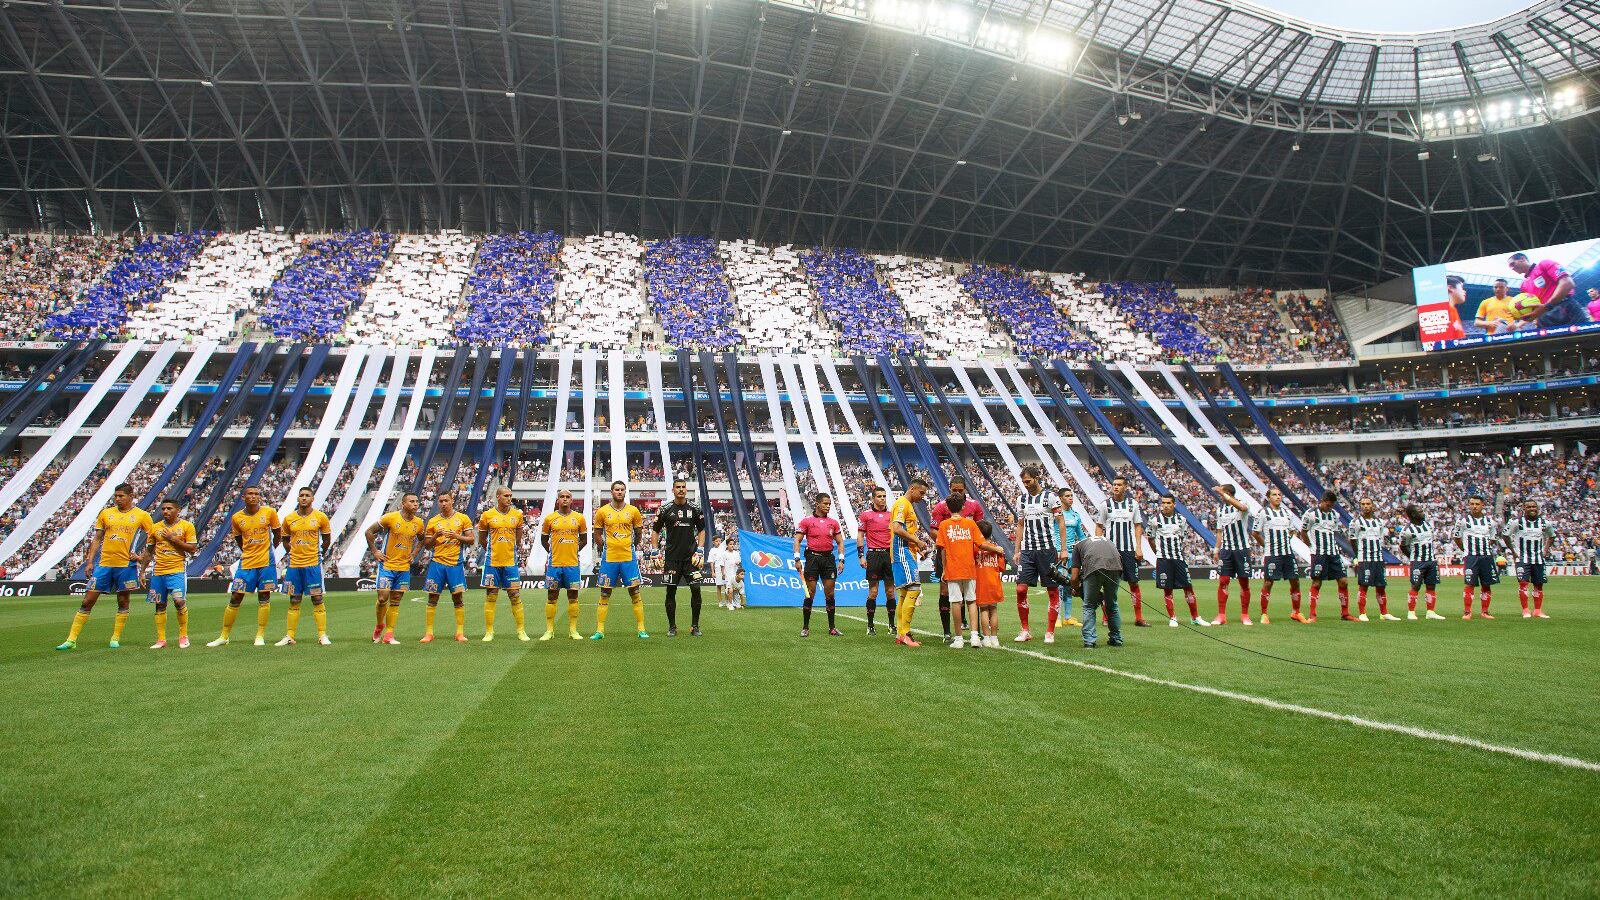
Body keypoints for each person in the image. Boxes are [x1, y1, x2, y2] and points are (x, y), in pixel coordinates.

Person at [56, 483, 155, 650]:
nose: (117, 499)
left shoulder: (142, 515)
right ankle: (71, 640)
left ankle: (115, 638)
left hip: (126, 565)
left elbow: (152, 539)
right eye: (116, 496)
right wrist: (89, 561)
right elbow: (97, 538)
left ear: (131, 496)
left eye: (121, 496)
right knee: (88, 600)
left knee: (123, 601)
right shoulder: (106, 513)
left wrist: (140, 557)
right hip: (104, 564)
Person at [208, 485, 282, 647]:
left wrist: (270, 550)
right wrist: (250, 551)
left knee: (264, 597)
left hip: (266, 563)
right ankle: (224, 636)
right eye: (250, 494)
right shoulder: (236, 518)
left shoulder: (269, 512)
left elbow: (278, 535)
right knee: (236, 596)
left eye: (256, 494)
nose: (254, 496)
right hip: (247, 562)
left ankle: (260, 635)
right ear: (244, 497)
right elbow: (239, 540)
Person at [1010, 466, 1069, 643]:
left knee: (1052, 590)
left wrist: (1063, 549)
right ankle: (1025, 630)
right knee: (1020, 589)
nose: (1026, 485)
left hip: (1047, 550)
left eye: (1028, 481)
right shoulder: (1021, 499)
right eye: (1023, 482)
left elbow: (1061, 522)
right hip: (1028, 551)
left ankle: (1050, 631)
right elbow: (1020, 525)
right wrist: (1017, 550)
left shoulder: (1050, 497)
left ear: (1037, 478)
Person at [364, 492, 425, 645]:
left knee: (396, 599)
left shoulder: (419, 523)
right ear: (403, 504)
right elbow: (368, 532)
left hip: (404, 567)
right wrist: (375, 551)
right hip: (387, 565)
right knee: (382, 598)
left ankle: (389, 634)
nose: (415, 504)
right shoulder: (390, 518)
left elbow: (422, 540)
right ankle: (379, 625)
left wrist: (414, 554)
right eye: (412, 501)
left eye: (417, 501)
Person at [929, 476, 983, 643]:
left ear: (965, 489)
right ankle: (947, 631)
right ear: (950, 489)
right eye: (955, 490)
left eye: (961, 490)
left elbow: (980, 529)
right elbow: (933, 531)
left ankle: (975, 632)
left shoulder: (974, 505)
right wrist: (951, 542)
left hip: (968, 554)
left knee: (970, 593)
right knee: (946, 592)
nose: (958, 493)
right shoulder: (940, 507)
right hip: (947, 554)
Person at [591, 481, 648, 639]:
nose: (620, 492)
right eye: (617, 489)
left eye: (622, 489)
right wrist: (605, 546)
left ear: (625, 492)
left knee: (635, 592)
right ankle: (600, 630)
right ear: (612, 492)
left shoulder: (633, 511)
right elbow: (597, 533)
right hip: (609, 558)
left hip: (628, 558)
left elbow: (638, 533)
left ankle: (641, 629)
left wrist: (630, 546)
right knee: (604, 593)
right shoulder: (602, 511)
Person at [139, 497, 197, 650]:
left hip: (177, 570)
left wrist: (172, 538)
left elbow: (192, 548)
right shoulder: (155, 528)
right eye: (163, 509)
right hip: (158, 572)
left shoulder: (187, 526)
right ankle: (161, 639)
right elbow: (149, 551)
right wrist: (142, 571)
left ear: (177, 510)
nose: (165, 511)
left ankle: (183, 635)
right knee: (159, 605)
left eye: (169, 508)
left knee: (179, 601)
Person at [278, 486, 332, 646]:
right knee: (294, 599)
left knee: (317, 598)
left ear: (312, 498)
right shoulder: (289, 519)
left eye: (307, 495)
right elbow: (285, 540)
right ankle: (289, 636)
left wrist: (321, 551)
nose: (304, 498)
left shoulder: (320, 517)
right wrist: (291, 551)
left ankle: (322, 635)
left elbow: (327, 538)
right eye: (301, 495)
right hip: (294, 565)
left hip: (313, 564)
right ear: (297, 498)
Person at [653, 479, 707, 637]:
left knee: (696, 590)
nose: (681, 490)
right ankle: (672, 627)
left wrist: (701, 549)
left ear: (686, 489)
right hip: (671, 559)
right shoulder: (664, 509)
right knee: (670, 592)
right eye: (678, 487)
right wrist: (655, 551)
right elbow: (655, 531)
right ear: (673, 490)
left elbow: (702, 530)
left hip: (691, 559)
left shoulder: (695, 508)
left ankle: (695, 626)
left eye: (683, 487)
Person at [421, 493, 474, 643]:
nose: (443, 503)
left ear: (452, 501)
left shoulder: (463, 518)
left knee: (457, 597)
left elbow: (471, 539)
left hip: (455, 564)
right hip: (437, 563)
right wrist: (436, 535)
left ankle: (459, 633)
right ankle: (429, 633)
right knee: (432, 597)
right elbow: (427, 545)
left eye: (446, 500)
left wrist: (457, 537)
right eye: (441, 501)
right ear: (438, 503)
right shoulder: (433, 521)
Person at [478, 487, 529, 641]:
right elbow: (481, 538)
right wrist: (493, 548)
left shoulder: (517, 515)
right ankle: (489, 632)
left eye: (510, 496)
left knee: (514, 595)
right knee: (491, 594)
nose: (509, 498)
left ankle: (521, 631)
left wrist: (510, 548)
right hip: (492, 561)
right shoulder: (487, 515)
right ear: (498, 497)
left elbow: (518, 537)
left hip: (510, 561)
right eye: (506, 496)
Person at [1096, 475, 1147, 627]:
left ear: (1125, 487)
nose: (1115, 487)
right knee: (1108, 584)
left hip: (1129, 550)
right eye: (1114, 484)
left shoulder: (1133, 504)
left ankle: (1138, 618)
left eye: (1119, 484)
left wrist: (1138, 547)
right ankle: (1106, 617)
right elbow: (1099, 526)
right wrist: (1099, 546)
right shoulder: (1105, 505)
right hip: (1111, 551)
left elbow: (1138, 525)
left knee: (1134, 583)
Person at [1149, 494, 1206, 627]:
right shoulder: (1154, 520)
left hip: (1178, 558)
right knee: (1167, 589)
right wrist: (1158, 553)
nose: (1166, 505)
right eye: (1163, 503)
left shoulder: (1181, 520)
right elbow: (1150, 538)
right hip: (1163, 559)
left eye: (1168, 503)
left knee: (1188, 587)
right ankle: (1173, 618)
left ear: (1174, 504)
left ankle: (1195, 617)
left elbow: (1182, 538)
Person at [794, 493, 844, 637]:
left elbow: (840, 542)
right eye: (825, 504)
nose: (828, 506)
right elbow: (797, 540)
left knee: (830, 593)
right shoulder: (807, 521)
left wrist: (841, 559)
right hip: (813, 559)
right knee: (810, 593)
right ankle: (805, 627)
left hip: (829, 559)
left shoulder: (833, 522)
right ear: (817, 504)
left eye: (829, 504)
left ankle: (832, 628)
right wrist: (797, 559)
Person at [540, 489, 587, 640]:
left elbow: (584, 540)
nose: (565, 499)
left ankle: (573, 631)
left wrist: (573, 550)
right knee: (551, 596)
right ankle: (549, 631)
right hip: (555, 564)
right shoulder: (550, 519)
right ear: (557, 500)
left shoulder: (579, 518)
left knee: (573, 596)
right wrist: (553, 552)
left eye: (568, 497)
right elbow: (543, 540)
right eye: (562, 497)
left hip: (572, 564)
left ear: (571, 500)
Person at [1251, 486, 1301, 625]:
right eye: (1274, 494)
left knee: (1295, 581)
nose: (1278, 497)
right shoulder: (1263, 513)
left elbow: (1292, 531)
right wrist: (1266, 545)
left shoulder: (1287, 513)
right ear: (1269, 497)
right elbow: (1255, 532)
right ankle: (1264, 614)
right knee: (1268, 582)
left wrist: (1286, 540)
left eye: (1279, 494)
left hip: (1287, 553)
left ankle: (1296, 612)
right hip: (1272, 554)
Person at [1297, 490, 1350, 622]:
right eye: (1328, 505)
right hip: (1318, 553)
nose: (1329, 507)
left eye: (1331, 505)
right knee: (1317, 582)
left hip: (1333, 553)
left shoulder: (1334, 515)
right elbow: (1303, 532)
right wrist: (1311, 546)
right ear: (1322, 501)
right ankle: (1312, 615)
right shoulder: (1310, 514)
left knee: (1343, 581)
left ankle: (1345, 613)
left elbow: (1334, 532)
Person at [890, 477, 930, 647]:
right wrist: (918, 541)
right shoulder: (902, 504)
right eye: (921, 493)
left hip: (907, 551)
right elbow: (897, 529)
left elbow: (906, 530)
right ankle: (905, 633)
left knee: (905, 593)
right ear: (912, 488)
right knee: (913, 590)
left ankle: (901, 634)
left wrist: (917, 546)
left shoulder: (909, 506)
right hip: (902, 552)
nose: (922, 496)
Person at [1210, 484, 1256, 625]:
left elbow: (1242, 508)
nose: (1220, 496)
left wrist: (1223, 493)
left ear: (1228, 493)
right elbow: (1219, 531)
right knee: (1223, 581)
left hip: (1242, 550)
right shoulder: (1221, 510)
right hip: (1226, 550)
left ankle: (1245, 615)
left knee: (1244, 583)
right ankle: (1221, 615)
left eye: (1222, 493)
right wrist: (1216, 550)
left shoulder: (1242, 504)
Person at [1346, 498, 1396, 622]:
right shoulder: (1355, 522)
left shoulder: (1379, 522)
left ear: (1372, 505)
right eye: (1363, 504)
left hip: (1378, 558)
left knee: (1381, 586)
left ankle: (1384, 613)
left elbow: (1380, 539)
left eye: (1368, 504)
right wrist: (1358, 555)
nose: (1365, 506)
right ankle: (1362, 613)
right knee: (1364, 586)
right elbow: (1352, 540)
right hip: (1365, 558)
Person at [1503, 500, 1555, 619]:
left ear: (1537, 508)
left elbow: (1552, 536)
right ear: (1524, 509)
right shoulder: (1516, 522)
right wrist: (1513, 551)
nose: (1532, 509)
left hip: (1538, 559)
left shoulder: (1545, 523)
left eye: (1534, 506)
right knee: (1523, 583)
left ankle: (1537, 611)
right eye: (1529, 507)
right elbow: (1505, 535)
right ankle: (1525, 610)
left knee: (1539, 585)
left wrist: (1545, 550)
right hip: (1522, 558)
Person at [1070, 533, 1123, 649]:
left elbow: (1074, 578)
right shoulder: (1103, 540)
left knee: (1089, 605)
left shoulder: (1077, 547)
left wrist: (1076, 589)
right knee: (1112, 604)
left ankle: (1089, 641)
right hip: (1116, 566)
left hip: (1094, 566)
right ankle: (1116, 638)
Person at [1396, 503, 1447, 621]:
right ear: (1413, 514)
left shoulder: (1428, 525)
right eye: (1420, 511)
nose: (1423, 513)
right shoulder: (1407, 530)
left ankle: (1430, 612)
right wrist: (1413, 557)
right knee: (1416, 585)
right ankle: (1411, 612)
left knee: (1431, 585)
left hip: (1431, 560)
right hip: (1418, 562)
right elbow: (1403, 546)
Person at [1509, 252, 1587, 327]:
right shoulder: (1523, 285)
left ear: (1522, 259)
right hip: (1543, 317)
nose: (1512, 268)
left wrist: (1546, 306)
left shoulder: (1544, 264)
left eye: (1512, 264)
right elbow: (1532, 308)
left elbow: (1568, 283)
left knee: (1585, 338)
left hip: (1565, 307)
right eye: (1510, 267)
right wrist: (1518, 315)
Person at [856, 486, 895, 634]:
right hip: (873, 556)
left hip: (889, 556)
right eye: (879, 496)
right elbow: (860, 535)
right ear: (873, 498)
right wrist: (861, 555)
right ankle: (870, 625)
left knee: (890, 592)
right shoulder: (866, 515)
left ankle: (891, 625)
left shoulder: (892, 515)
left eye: (884, 496)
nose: (882, 498)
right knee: (873, 592)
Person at [1454, 495, 1500, 620]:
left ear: (1482, 505)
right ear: (1469, 505)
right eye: (1472, 504)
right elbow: (1456, 537)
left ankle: (1485, 612)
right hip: (1471, 557)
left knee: (1486, 584)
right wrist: (1465, 550)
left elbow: (1493, 538)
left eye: (1477, 504)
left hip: (1486, 557)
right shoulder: (1462, 521)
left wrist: (1485, 547)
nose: (1474, 506)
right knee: (1470, 584)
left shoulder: (1490, 522)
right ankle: (1467, 612)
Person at [1054, 490, 1089, 630]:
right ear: (1061, 498)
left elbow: (1081, 535)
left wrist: (1086, 548)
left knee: (1070, 585)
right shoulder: (1056, 514)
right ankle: (1056, 617)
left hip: (1072, 554)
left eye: (1071, 496)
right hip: (1059, 553)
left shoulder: (1075, 515)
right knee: (1058, 586)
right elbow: (1051, 531)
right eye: (1067, 496)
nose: (1070, 498)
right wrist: (1056, 549)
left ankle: (1068, 617)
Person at [974, 520, 1005, 648]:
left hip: (981, 583)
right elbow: (1001, 567)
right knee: (994, 609)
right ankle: (994, 638)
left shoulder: (975, 549)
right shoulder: (996, 549)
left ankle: (986, 638)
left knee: (983, 610)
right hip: (994, 583)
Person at [710, 535, 738, 610]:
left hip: (725, 569)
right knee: (719, 586)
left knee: (727, 585)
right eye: (716, 541)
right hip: (717, 569)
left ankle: (727, 601)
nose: (718, 542)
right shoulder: (712, 550)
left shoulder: (723, 546)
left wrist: (731, 532)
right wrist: (713, 572)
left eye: (719, 541)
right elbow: (711, 562)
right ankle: (720, 602)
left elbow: (727, 538)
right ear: (713, 542)